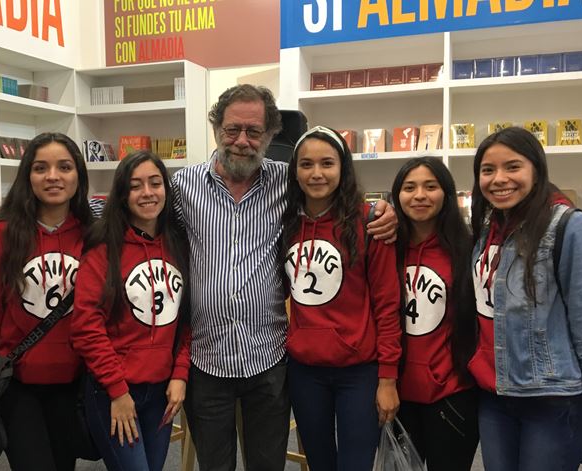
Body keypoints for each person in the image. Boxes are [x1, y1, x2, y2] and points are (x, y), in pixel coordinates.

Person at [172, 84, 398, 470]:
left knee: (268, 464)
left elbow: (334, 193)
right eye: (232, 130)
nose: (242, 141)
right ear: (216, 129)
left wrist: (385, 211)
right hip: (206, 360)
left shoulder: (286, 181)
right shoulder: (182, 187)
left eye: (254, 131)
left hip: (269, 359)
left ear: (271, 135)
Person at [467, 127, 582, 471]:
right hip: (494, 395)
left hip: (551, 399)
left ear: (536, 170)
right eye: (488, 170)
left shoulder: (569, 227)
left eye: (513, 167)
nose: (499, 179)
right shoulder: (488, 226)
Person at [279, 125, 401, 470]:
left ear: (343, 168)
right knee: (319, 463)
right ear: (295, 171)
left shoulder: (369, 223)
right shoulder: (285, 224)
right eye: (306, 164)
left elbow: (387, 305)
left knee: (356, 464)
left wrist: (388, 378)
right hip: (305, 372)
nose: (317, 173)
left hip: (359, 373)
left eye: (327, 163)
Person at [0, 132, 94, 471]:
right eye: (41, 168)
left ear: (78, 176)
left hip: (74, 383)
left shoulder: (93, 234)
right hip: (18, 384)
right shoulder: (3, 233)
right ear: (28, 175)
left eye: (65, 167)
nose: (53, 176)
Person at [72, 151, 191, 471]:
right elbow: (86, 325)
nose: (147, 193)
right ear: (122, 194)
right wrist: (117, 390)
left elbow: (188, 317)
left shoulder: (178, 243)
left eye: (155, 183)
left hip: (162, 392)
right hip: (115, 391)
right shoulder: (103, 246)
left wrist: (180, 374)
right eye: (136, 185)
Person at [391, 157, 479, 471]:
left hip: (452, 394)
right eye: (409, 187)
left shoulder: (467, 249)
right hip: (396, 394)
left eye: (431, 186)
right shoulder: (385, 248)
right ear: (396, 195)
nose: (420, 196)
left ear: (446, 193)